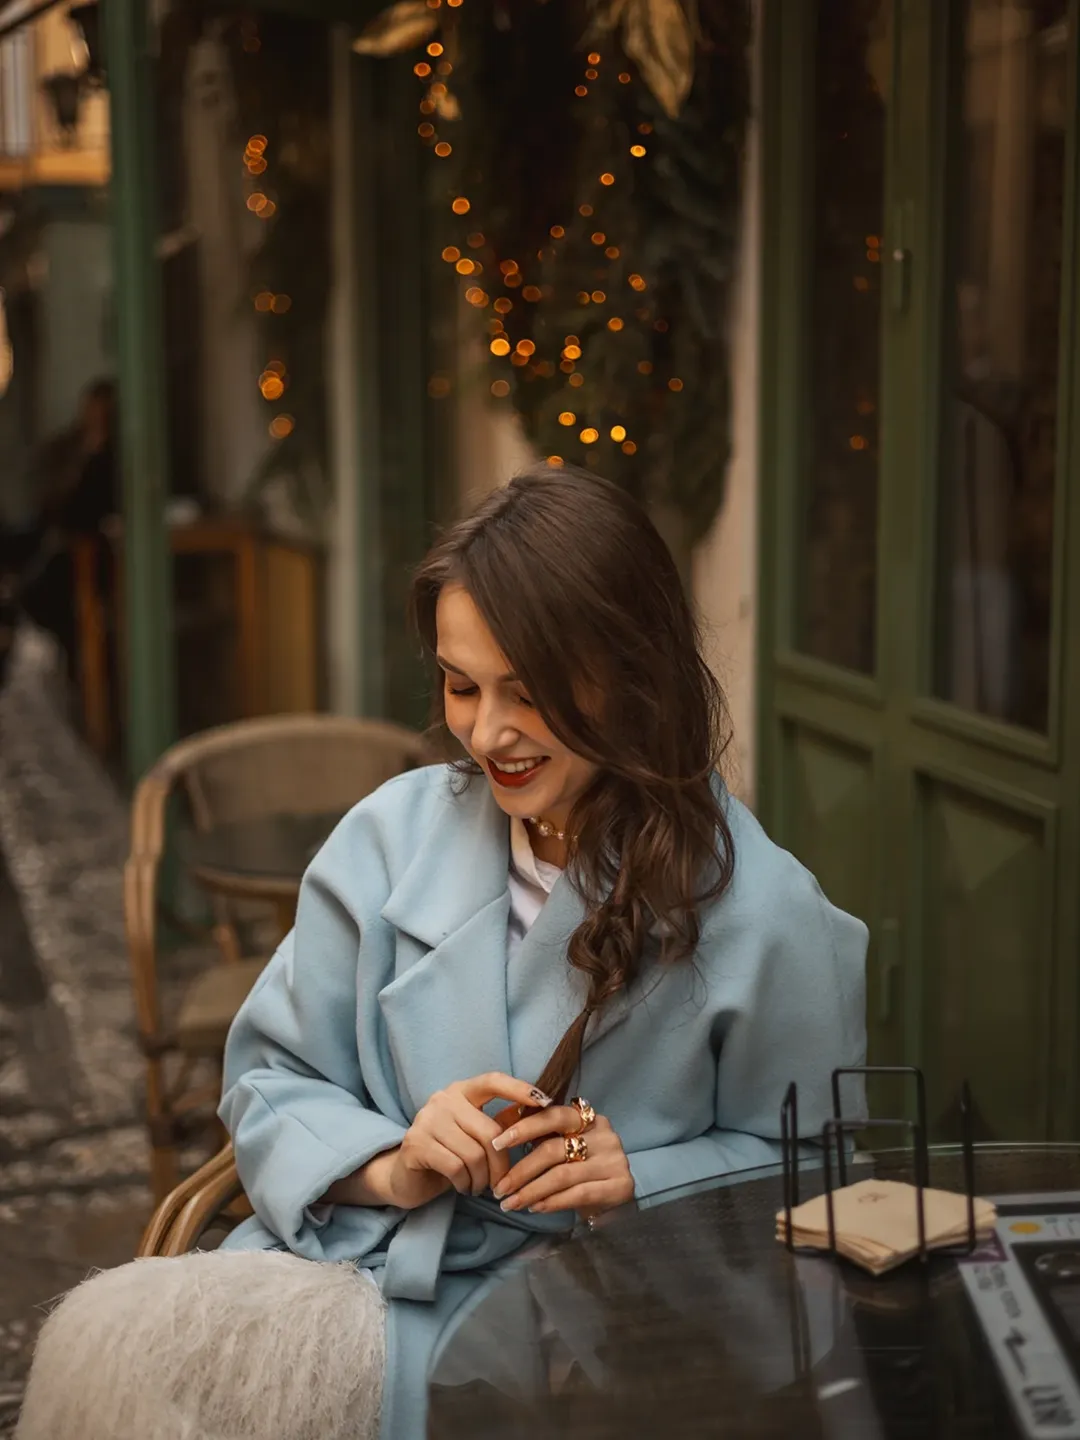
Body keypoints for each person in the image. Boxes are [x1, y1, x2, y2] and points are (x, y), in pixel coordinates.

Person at [15, 465, 867, 1440]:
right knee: (101, 1353)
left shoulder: (768, 913)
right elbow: (269, 1082)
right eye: (462, 686)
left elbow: (823, 1174)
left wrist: (642, 1179)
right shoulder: (389, 837)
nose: (489, 732)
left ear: (635, 674)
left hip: (615, 1341)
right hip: (357, 1276)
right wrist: (395, 1160)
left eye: (531, 692)